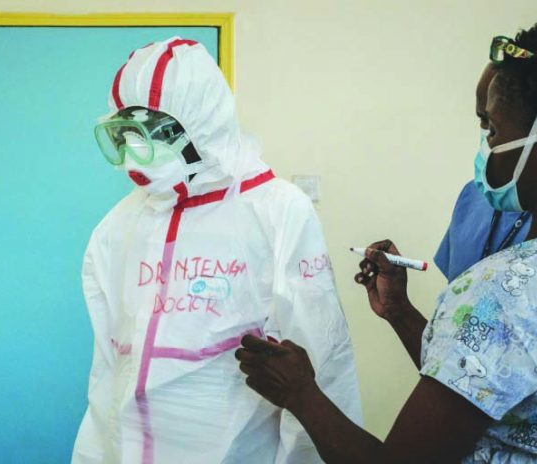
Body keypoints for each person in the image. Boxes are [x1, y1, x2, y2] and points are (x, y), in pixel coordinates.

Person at [236, 22, 537, 463]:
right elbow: (485, 376)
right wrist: (399, 313)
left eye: (494, 132)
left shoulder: (506, 292)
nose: (485, 149)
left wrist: (301, 394)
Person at [72, 37, 362, 464]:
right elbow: (107, 367)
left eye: (153, 130)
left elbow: (321, 361)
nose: (136, 152)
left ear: (202, 122)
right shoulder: (122, 224)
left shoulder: (275, 211)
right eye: (126, 132)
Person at [435, 65, 532, 283]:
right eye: (482, 120)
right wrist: (398, 308)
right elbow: (457, 314)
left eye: (494, 126)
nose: (486, 138)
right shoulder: (474, 196)